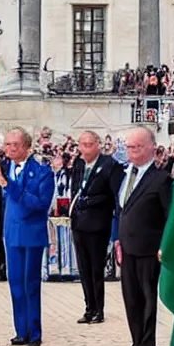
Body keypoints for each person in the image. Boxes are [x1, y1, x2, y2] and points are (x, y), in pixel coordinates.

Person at [0, 127, 54, 346]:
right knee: (15, 283)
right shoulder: (6, 167)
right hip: (12, 232)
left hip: (31, 233)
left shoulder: (42, 172)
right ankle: (21, 330)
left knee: (30, 283)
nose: (10, 148)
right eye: (8, 144)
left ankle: (34, 332)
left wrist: (6, 184)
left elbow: (38, 204)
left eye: (15, 145)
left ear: (27, 147)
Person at [113, 126, 173, 346]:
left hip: (150, 250)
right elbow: (120, 211)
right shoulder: (126, 175)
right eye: (128, 147)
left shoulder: (161, 180)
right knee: (132, 303)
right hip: (127, 249)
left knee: (147, 304)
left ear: (151, 148)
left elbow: (171, 215)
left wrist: (165, 246)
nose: (132, 151)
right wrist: (117, 240)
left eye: (137, 147)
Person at [70, 131, 124, 324]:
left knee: (95, 269)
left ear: (98, 145)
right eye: (82, 144)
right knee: (83, 269)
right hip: (79, 224)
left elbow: (115, 197)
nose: (84, 149)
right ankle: (88, 307)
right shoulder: (78, 164)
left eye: (89, 144)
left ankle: (98, 309)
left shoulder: (110, 165)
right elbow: (75, 190)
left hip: (97, 224)